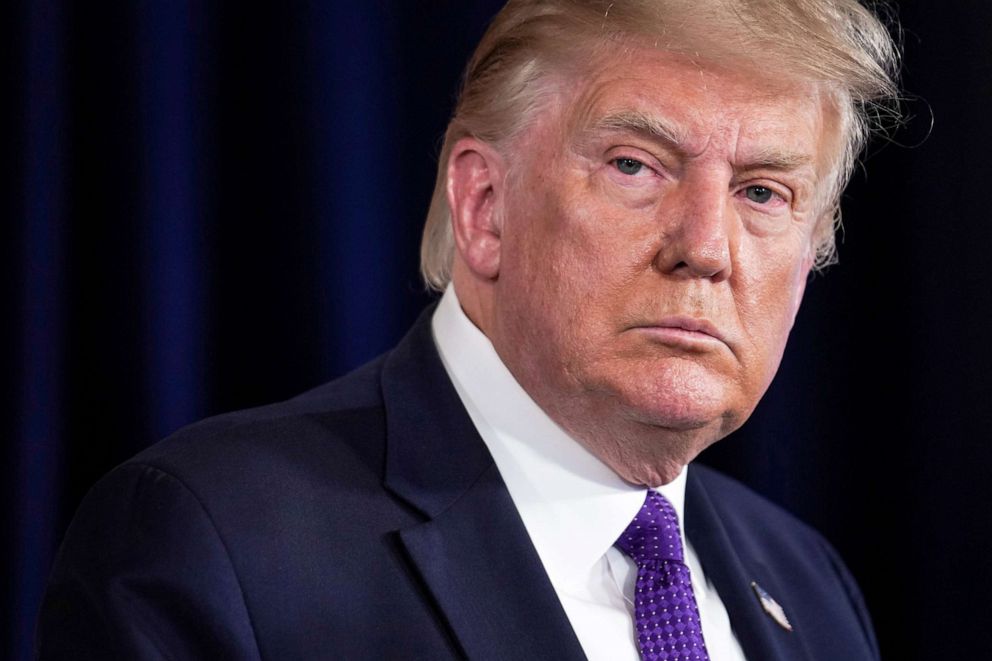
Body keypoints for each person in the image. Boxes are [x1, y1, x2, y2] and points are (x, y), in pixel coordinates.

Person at [37, 0, 900, 659]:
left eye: (763, 193)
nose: (706, 248)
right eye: (636, 165)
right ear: (485, 208)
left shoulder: (810, 585)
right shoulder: (211, 546)